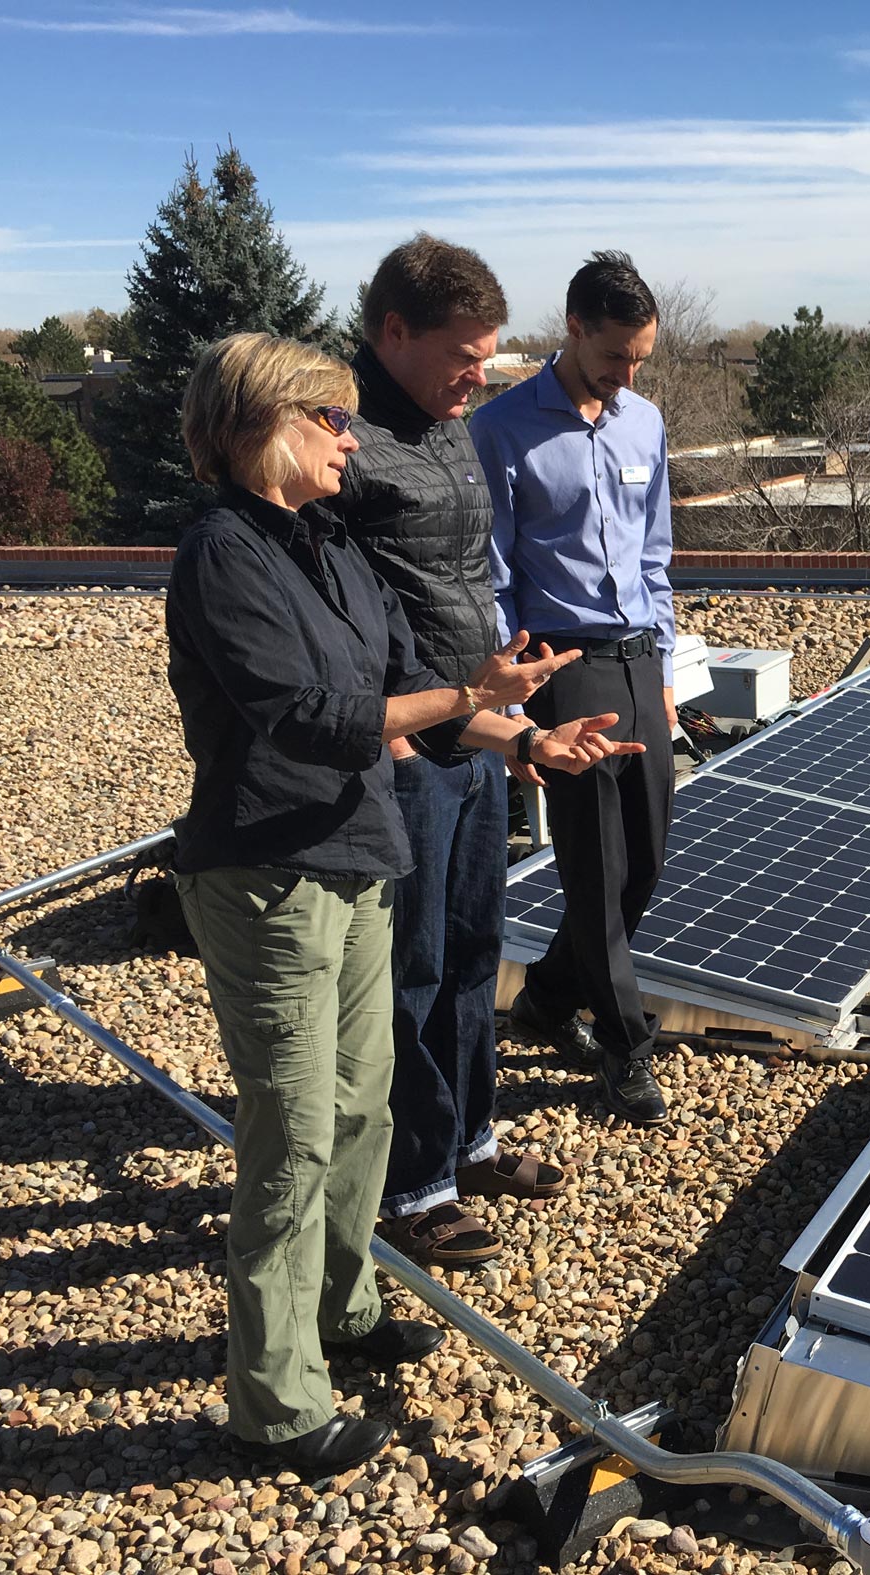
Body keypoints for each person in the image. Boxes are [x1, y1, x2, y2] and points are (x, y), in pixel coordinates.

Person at [167, 332, 641, 1474]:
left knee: (364, 1107)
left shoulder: (332, 547)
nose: (347, 437)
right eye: (327, 419)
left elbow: (400, 700)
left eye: (345, 419)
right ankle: (276, 1405)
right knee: (288, 1135)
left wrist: (527, 733)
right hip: (268, 875)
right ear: (256, 428)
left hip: (355, 861)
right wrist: (467, 694)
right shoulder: (223, 554)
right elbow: (314, 719)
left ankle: (343, 1311)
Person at [334, 234, 553, 1269]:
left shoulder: (445, 424)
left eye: (491, 354)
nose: (482, 375)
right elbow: (354, 621)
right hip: (408, 752)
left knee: (474, 951)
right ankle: (413, 1184)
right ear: (393, 333)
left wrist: (504, 711)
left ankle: (471, 1138)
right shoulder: (345, 443)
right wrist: (442, 717)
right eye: (466, 353)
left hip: (472, 731)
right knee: (410, 965)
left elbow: (465, 577)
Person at [471, 251, 676, 1126]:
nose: (625, 375)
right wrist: (513, 708)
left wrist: (663, 671)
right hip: (561, 667)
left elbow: (657, 554)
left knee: (647, 865)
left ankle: (548, 998)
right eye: (614, 356)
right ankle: (625, 1046)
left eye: (640, 359)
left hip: (638, 661)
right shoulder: (503, 430)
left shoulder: (644, 424)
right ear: (574, 328)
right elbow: (492, 576)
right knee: (595, 872)